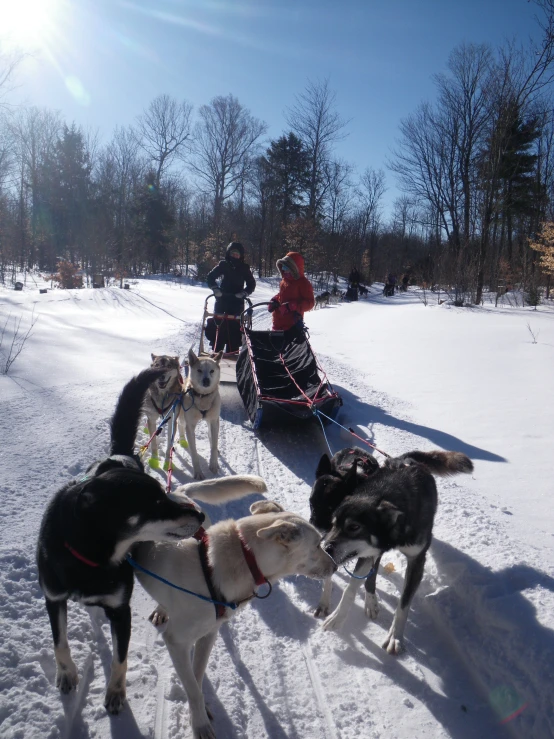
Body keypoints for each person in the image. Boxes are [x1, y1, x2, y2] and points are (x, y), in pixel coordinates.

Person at [205, 242, 256, 352]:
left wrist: (244, 293)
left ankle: (232, 353)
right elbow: (210, 277)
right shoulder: (223, 265)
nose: (235, 255)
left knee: (234, 329)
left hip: (237, 301)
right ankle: (216, 352)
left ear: (241, 255)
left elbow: (251, 284)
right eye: (233, 253)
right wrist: (215, 289)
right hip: (222, 299)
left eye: (237, 253)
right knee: (218, 326)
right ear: (229, 253)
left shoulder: (244, 268)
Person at [268, 251, 315, 331]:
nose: (283, 269)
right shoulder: (284, 281)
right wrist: (275, 300)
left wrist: (294, 306)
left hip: (292, 326)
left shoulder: (303, 283)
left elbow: (310, 303)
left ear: (294, 268)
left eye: (286, 267)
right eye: (282, 266)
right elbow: (282, 295)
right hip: (278, 322)